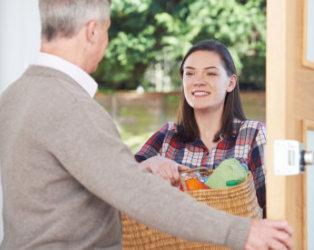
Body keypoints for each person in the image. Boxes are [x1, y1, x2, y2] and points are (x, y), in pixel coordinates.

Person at [0, 1, 293, 249]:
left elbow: (96, 179)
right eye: (107, 29)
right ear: (92, 31)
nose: (106, 40)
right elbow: (138, 193)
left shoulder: (13, 96)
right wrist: (241, 232)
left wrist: (141, 170)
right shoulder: (73, 107)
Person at [136, 40, 266, 214]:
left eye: (210, 74)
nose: (198, 81)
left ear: (231, 83)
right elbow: (121, 186)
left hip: (239, 240)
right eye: (189, 74)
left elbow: (274, 206)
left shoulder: (253, 135)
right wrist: (151, 163)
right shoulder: (167, 137)